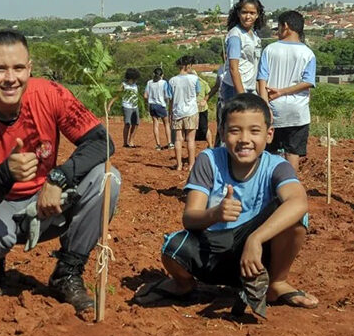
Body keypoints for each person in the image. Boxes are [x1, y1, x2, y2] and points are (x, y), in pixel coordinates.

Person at [0, 30, 121, 314]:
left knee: (108, 178)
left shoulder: (50, 94)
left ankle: (67, 273)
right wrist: (6, 173)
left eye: (18, 68)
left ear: (29, 68)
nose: (10, 78)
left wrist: (59, 177)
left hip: (46, 201)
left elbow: (102, 142)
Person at [134, 94, 318, 312]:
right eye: (234, 130)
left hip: (257, 256)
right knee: (173, 248)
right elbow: (189, 218)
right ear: (221, 133)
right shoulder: (209, 160)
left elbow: (298, 202)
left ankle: (276, 283)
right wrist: (215, 214)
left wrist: (256, 239)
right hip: (213, 250)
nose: (244, 139)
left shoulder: (277, 165)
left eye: (254, 131)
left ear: (269, 135)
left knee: (295, 217)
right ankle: (183, 284)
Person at [257, 10, 316, 172]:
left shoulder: (270, 50)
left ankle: (270, 188)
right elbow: (308, 82)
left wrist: (265, 104)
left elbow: (262, 80)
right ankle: (291, 188)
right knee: (293, 152)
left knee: (271, 152)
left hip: (273, 110)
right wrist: (283, 91)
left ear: (286, 26)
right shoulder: (308, 53)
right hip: (298, 112)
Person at [221, 0, 265, 102]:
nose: (248, 16)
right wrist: (242, 96)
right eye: (244, 12)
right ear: (238, 13)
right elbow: (233, 68)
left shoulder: (255, 36)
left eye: (252, 13)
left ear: (257, 15)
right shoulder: (236, 35)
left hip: (250, 87)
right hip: (235, 89)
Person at [169, 55, 201, 171]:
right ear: (188, 66)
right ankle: (191, 164)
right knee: (190, 139)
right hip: (191, 111)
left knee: (178, 139)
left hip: (177, 112)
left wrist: (170, 112)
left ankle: (179, 165)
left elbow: (170, 98)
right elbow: (197, 93)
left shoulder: (172, 80)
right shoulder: (194, 79)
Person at [109, 69, 141, 148]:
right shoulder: (123, 85)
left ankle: (131, 141)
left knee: (136, 123)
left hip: (135, 106)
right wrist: (109, 105)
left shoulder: (135, 85)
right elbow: (117, 95)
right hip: (127, 106)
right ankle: (125, 142)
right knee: (127, 124)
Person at [144, 67, 173, 150]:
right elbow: (167, 96)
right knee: (166, 124)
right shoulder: (164, 83)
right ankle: (169, 143)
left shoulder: (149, 82)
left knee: (155, 124)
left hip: (152, 105)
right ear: (162, 75)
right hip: (161, 105)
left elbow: (145, 95)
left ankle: (158, 145)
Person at [193, 68, 214, 148]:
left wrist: (204, 100)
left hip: (200, 109)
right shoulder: (203, 82)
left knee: (203, 128)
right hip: (195, 109)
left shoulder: (203, 83)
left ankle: (210, 145)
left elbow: (209, 93)